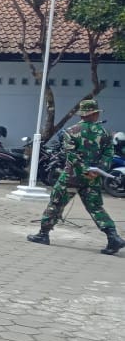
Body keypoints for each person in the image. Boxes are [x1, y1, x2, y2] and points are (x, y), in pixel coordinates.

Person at [28, 99, 125, 255]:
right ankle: (113, 237)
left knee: (56, 204)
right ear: (94, 114)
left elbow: (71, 155)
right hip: (93, 178)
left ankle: (43, 234)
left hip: (71, 177)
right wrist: (98, 170)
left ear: (83, 114)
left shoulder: (71, 131)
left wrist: (84, 169)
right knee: (96, 208)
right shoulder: (105, 133)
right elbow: (108, 155)